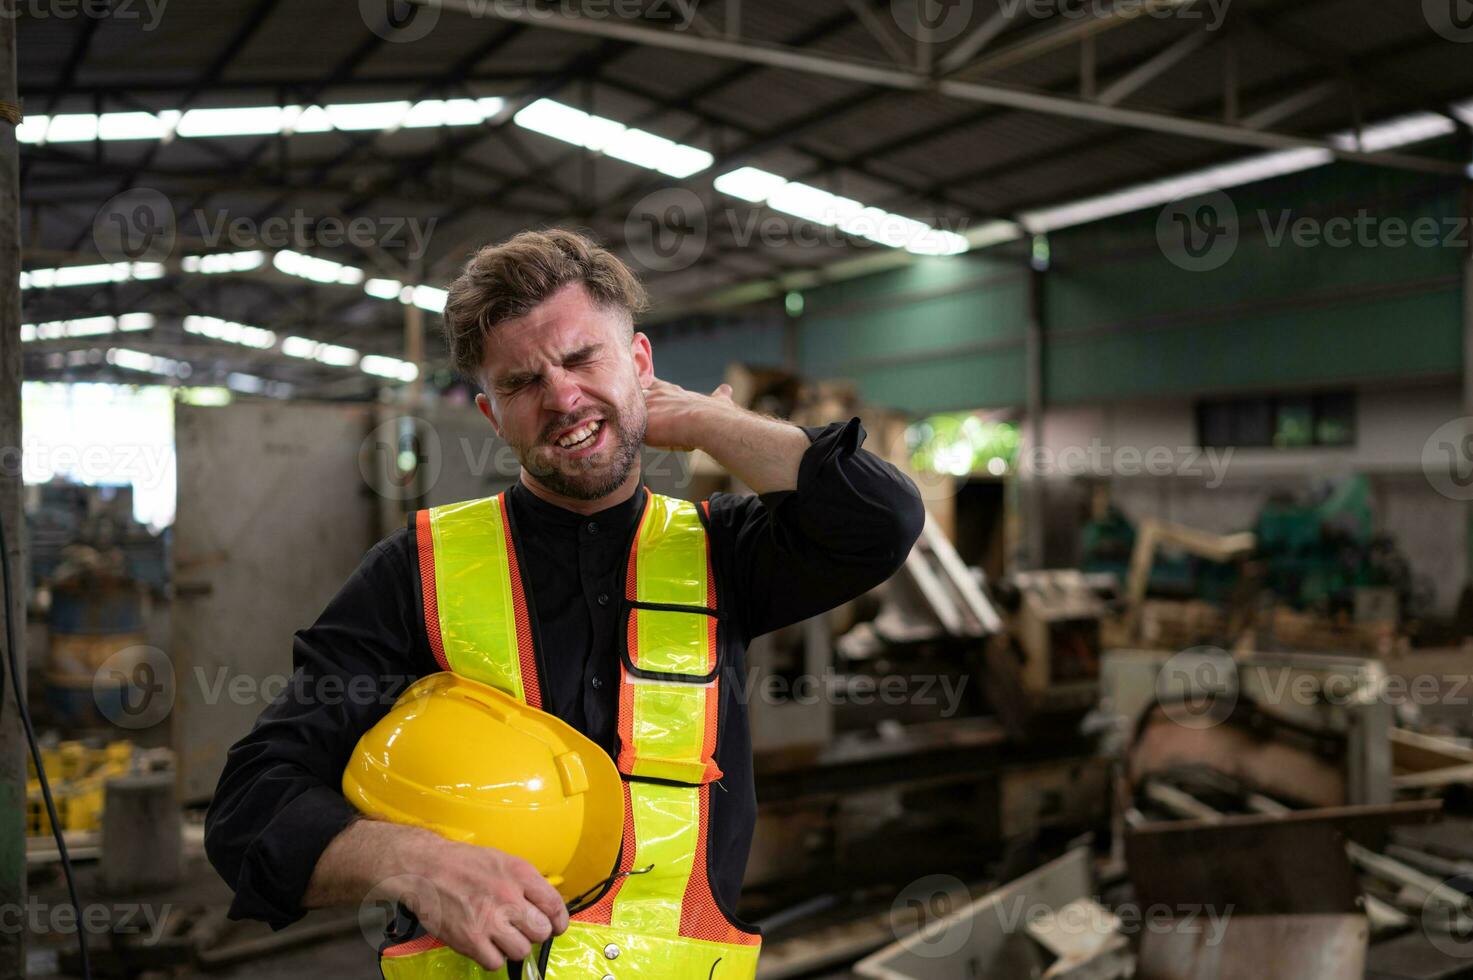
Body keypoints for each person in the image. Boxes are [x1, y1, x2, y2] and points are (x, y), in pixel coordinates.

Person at [204, 228, 925, 978]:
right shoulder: (412, 574)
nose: (561, 397)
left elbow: (881, 520)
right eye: (520, 383)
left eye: (583, 359)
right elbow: (248, 808)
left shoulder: (726, 554)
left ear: (640, 362)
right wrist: (412, 861)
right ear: (491, 415)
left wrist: (712, 423)